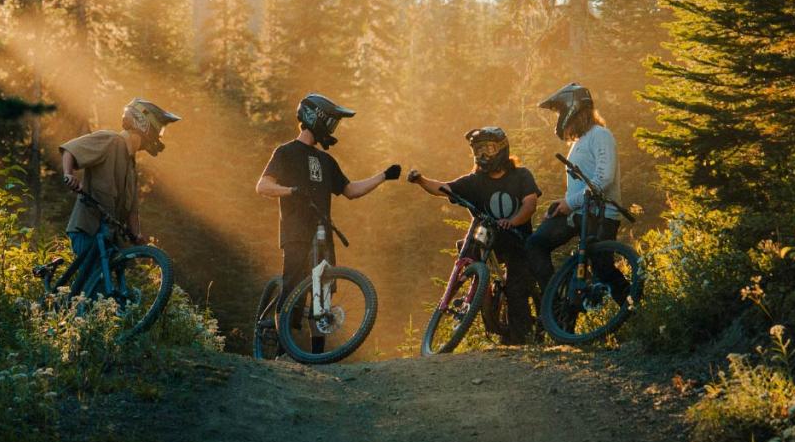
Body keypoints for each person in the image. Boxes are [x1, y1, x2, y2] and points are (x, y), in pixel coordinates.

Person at [253, 93, 401, 353]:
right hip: (297, 231)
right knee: (292, 289)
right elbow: (263, 185)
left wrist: (384, 176)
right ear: (315, 119)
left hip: (323, 234)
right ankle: (279, 349)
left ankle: (316, 357)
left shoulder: (326, 160)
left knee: (322, 294)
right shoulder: (286, 152)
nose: (333, 129)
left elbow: (350, 190)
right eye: (331, 122)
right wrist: (290, 191)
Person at [408, 127, 542, 344]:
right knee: (467, 249)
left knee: (517, 291)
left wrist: (512, 221)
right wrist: (421, 180)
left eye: (488, 148)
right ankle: (473, 293)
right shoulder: (474, 181)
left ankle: (520, 340)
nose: (483, 155)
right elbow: (444, 188)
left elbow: (530, 203)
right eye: (478, 150)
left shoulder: (521, 175)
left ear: (502, 148)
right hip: (487, 239)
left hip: (517, 240)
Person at [526, 82, 627, 301]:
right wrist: (562, 205)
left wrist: (569, 203)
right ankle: (555, 302)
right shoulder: (581, 140)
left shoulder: (601, 135)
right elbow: (583, 185)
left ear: (573, 109)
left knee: (603, 269)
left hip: (601, 215)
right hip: (580, 212)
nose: (560, 118)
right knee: (535, 244)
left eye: (561, 111)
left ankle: (633, 307)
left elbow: (604, 178)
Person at [60, 99, 181, 263]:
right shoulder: (110, 140)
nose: (158, 134)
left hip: (109, 236)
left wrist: (137, 236)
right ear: (144, 123)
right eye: (159, 128)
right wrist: (69, 174)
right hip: (88, 229)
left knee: (114, 285)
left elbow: (132, 210)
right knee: (97, 282)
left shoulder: (131, 167)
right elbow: (71, 150)